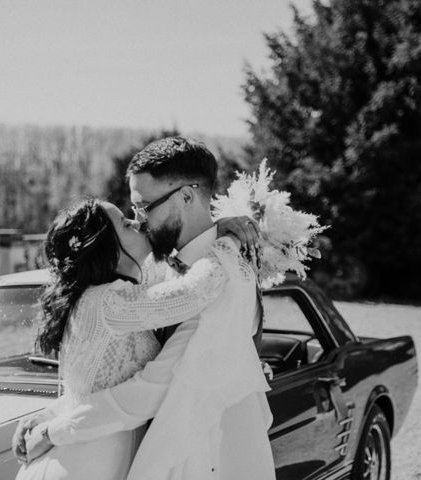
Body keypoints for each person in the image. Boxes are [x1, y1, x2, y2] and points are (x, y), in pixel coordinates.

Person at [14, 137, 275, 480]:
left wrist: (55, 429)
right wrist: (53, 413)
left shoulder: (224, 278)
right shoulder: (147, 268)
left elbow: (154, 388)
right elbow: (100, 371)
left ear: (186, 196)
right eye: (131, 212)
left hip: (201, 460)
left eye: (144, 206)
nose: (138, 220)